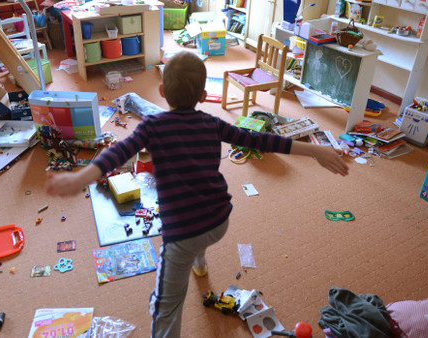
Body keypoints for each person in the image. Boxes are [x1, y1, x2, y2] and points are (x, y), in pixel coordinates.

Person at [46, 51, 349, 337]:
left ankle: (194, 259)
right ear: (204, 97)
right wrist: (314, 150)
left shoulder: (152, 126)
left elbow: (117, 154)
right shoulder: (213, 123)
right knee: (198, 225)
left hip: (182, 236)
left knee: (166, 307)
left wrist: (78, 179)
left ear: (162, 91)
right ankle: (200, 263)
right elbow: (260, 140)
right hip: (219, 221)